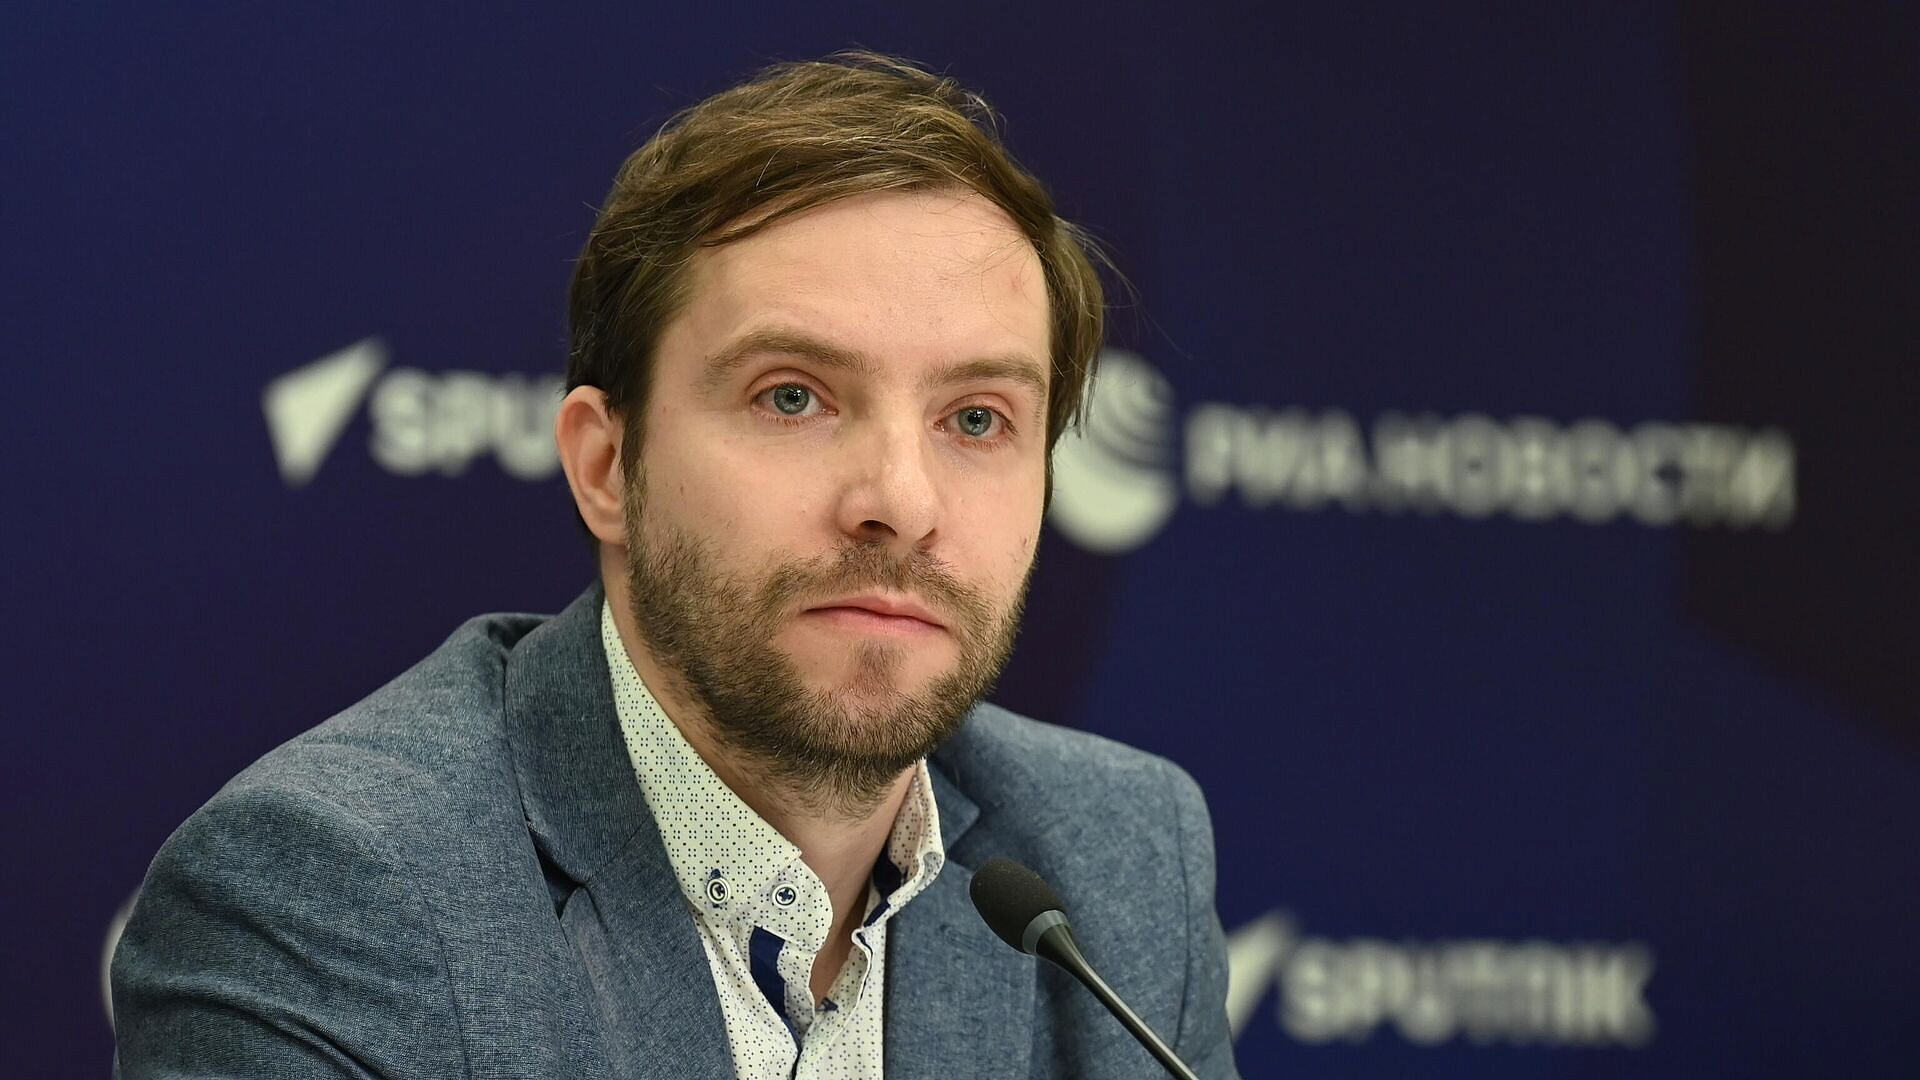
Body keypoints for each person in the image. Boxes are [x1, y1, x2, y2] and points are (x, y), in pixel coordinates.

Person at [111, 53, 1238, 1079]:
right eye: (791, 397)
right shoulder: (328, 894)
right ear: (607, 466)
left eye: (978, 419)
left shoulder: (1122, 858)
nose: (901, 502)